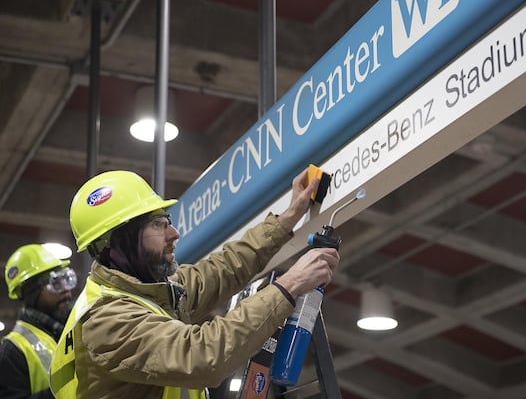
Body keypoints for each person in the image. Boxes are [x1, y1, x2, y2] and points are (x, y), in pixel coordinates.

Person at [49, 169, 339, 399]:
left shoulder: (150, 291)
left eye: (168, 220)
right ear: (121, 242)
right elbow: (201, 356)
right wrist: (290, 284)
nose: (174, 233)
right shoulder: (107, 321)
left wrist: (287, 219)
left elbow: (222, 269)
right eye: (157, 224)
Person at [0, 244, 77, 399]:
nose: (66, 290)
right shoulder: (12, 351)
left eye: (67, 279)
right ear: (31, 292)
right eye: (56, 283)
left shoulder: (70, 329)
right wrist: (72, 386)